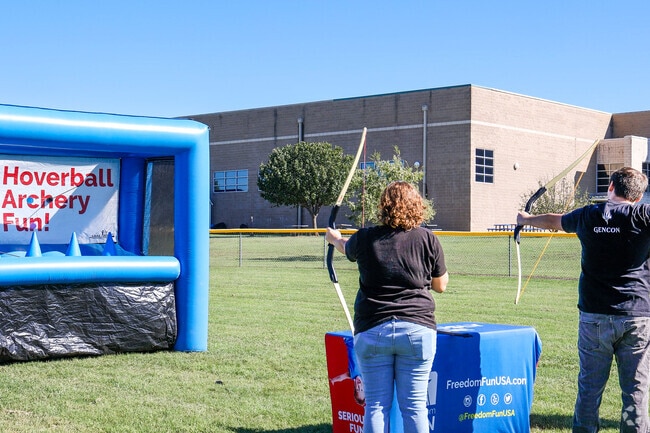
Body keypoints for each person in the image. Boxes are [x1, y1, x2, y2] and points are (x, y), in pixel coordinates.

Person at [517, 167, 650, 433]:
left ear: (610, 187)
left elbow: (556, 221)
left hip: (595, 316)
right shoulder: (643, 215)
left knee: (589, 387)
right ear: (638, 196)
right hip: (637, 316)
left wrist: (526, 219)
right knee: (636, 390)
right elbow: (558, 220)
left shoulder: (589, 215)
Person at [326, 181, 449, 433]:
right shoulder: (428, 239)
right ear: (417, 205)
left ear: (384, 206)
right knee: (415, 407)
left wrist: (334, 238)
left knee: (376, 406)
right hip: (417, 330)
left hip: (373, 330)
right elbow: (441, 285)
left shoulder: (366, 238)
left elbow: (344, 247)